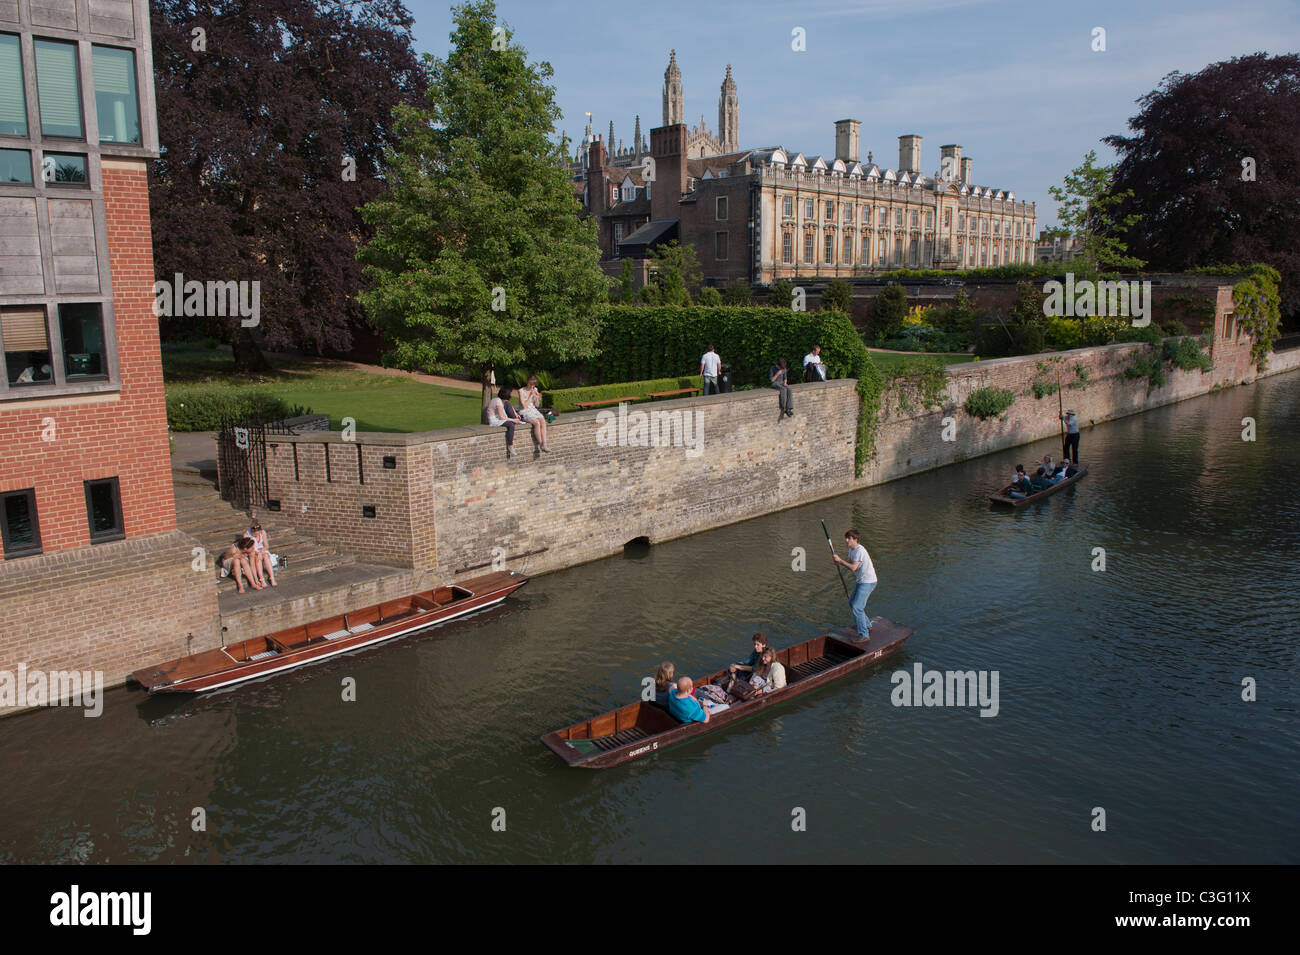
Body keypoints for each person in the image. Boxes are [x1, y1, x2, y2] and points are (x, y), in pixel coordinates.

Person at [832, 529, 877, 641]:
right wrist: (838, 562)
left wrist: (840, 560)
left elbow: (853, 567)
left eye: (849, 538)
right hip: (861, 581)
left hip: (868, 582)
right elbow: (849, 561)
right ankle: (867, 625)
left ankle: (864, 635)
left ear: (855, 540)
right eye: (846, 538)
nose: (846, 540)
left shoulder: (860, 551)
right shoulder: (852, 550)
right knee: (852, 603)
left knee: (857, 607)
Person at [518, 375, 551, 452]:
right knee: (537, 423)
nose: (532, 386)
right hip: (524, 411)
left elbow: (537, 405)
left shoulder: (535, 389)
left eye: (533, 385)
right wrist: (530, 396)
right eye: (531, 384)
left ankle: (545, 443)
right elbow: (524, 405)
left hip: (533, 410)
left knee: (542, 420)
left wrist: (536, 398)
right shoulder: (521, 391)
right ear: (527, 382)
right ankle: (541, 444)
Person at [486, 385, 520, 457]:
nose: (511, 395)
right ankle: (510, 445)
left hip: (498, 417)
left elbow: (508, 404)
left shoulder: (500, 399)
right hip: (494, 420)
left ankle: (518, 419)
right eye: (510, 393)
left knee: (507, 404)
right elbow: (501, 417)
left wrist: (515, 414)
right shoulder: (498, 401)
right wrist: (513, 420)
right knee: (511, 425)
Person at [243, 521, 277, 588]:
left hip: (262, 550)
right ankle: (262, 580)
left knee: (266, 556)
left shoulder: (263, 532)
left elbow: (266, 545)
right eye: (255, 534)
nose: (257, 535)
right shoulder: (246, 535)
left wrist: (261, 552)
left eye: (258, 533)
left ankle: (272, 578)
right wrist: (257, 553)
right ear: (252, 531)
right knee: (257, 558)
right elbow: (249, 548)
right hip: (252, 551)